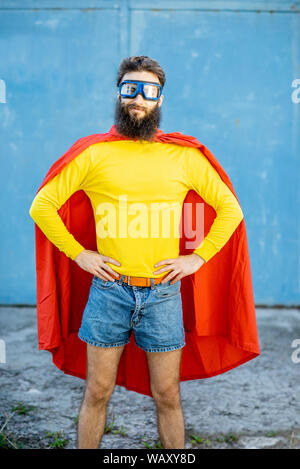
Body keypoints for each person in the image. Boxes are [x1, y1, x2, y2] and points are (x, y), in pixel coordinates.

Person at [29, 56, 256, 450]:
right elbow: (42, 205)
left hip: (162, 295)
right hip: (109, 292)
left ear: (160, 99)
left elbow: (230, 210)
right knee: (97, 392)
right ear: (118, 94)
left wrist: (197, 258)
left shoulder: (184, 156)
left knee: (167, 394)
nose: (138, 98)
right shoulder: (92, 154)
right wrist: (79, 254)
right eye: (130, 88)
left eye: (148, 91)